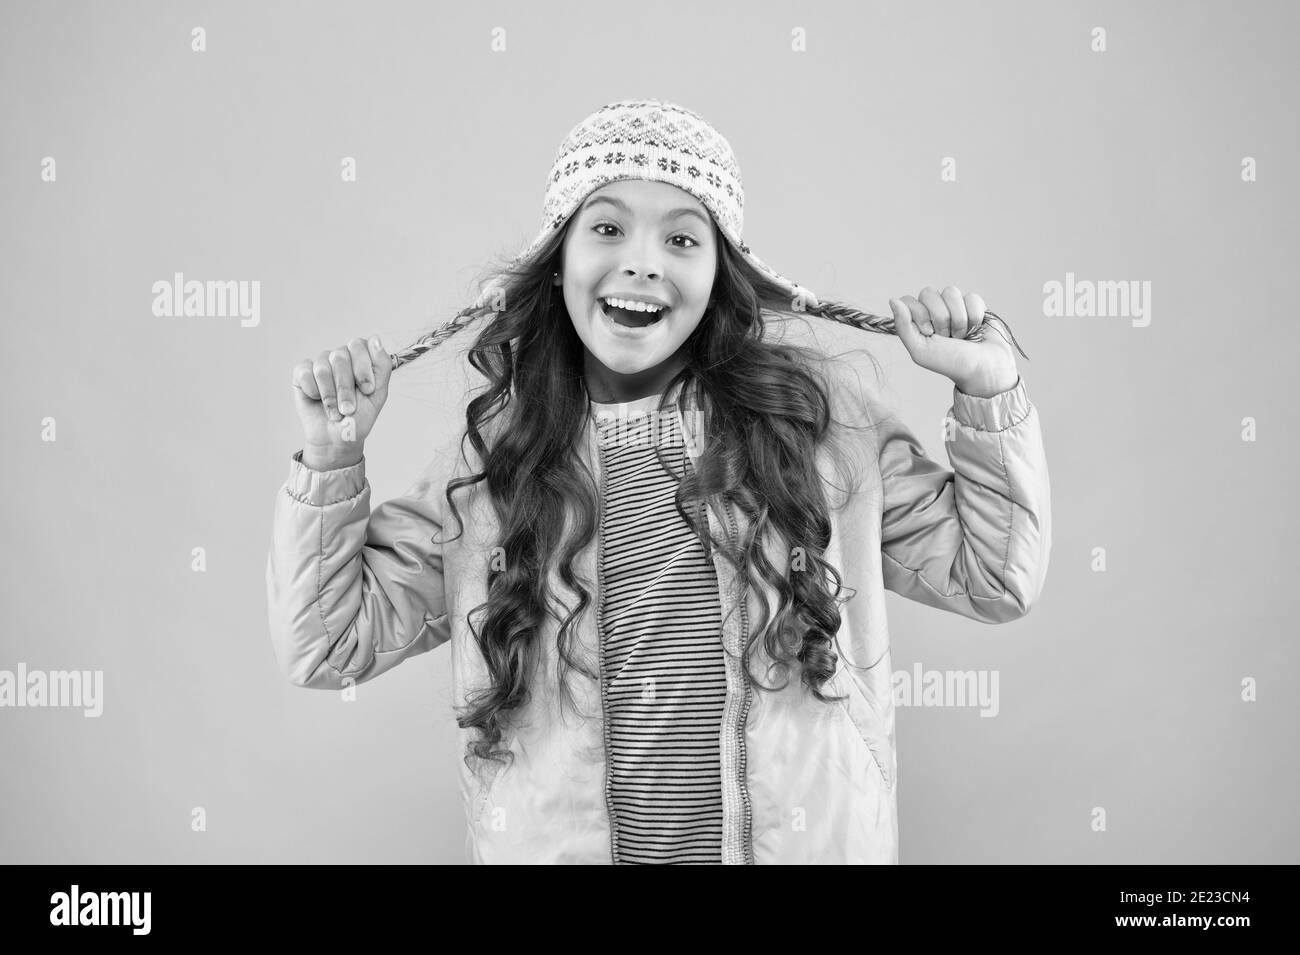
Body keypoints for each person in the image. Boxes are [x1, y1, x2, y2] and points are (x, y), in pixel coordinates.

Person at [265, 98, 1052, 864]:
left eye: (683, 238)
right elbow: (327, 642)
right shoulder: (492, 469)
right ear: (559, 262)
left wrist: (987, 392)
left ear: (721, 273)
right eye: (607, 227)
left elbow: (995, 573)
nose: (642, 260)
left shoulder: (821, 427)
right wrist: (334, 455)